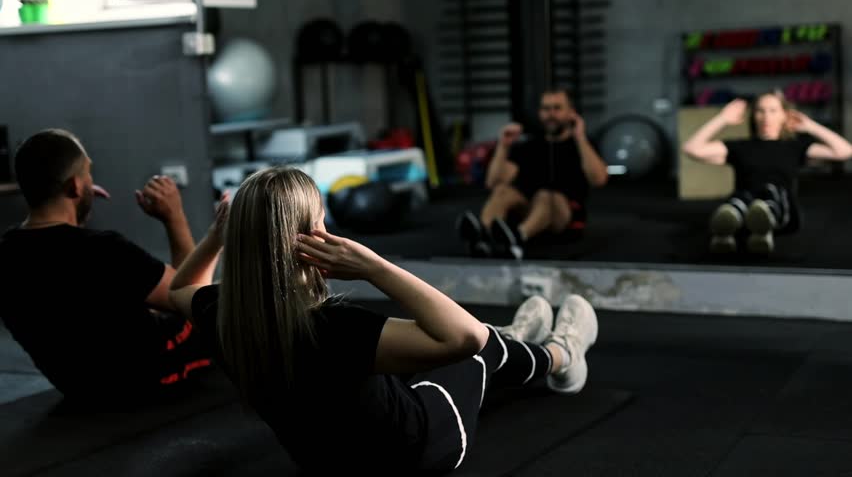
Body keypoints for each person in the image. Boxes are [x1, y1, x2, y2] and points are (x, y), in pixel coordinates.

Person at [169, 167, 599, 475]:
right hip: (417, 454)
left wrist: (213, 240)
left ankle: (516, 343)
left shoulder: (220, 313)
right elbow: (465, 337)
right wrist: (373, 265)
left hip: (325, 460)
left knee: (442, 342)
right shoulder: (334, 328)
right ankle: (561, 355)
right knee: (478, 348)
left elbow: (179, 291)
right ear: (309, 236)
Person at [0, 129, 211, 403]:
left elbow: (65, 280)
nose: (91, 180)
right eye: (88, 173)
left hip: (82, 387)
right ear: (75, 186)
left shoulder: (5, 254)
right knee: (212, 305)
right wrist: (174, 217)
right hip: (151, 377)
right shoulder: (104, 249)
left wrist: (76, 210)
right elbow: (192, 297)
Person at [682, 92, 852, 254]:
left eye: (773, 110)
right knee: (741, 199)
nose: (766, 117)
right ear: (754, 116)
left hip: (782, 210)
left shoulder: (795, 147)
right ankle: (732, 225)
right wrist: (722, 119)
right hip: (746, 204)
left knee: (771, 191)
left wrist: (810, 126)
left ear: (784, 115)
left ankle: (760, 220)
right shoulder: (740, 147)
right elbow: (691, 148)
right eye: (760, 111)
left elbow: (845, 151)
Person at [457, 88, 609, 259]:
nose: (550, 114)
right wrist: (503, 146)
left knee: (547, 196)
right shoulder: (530, 145)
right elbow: (493, 182)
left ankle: (517, 238)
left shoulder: (583, 145)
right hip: (530, 210)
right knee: (503, 191)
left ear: (571, 113)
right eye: (546, 109)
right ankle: (483, 237)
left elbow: (599, 179)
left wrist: (580, 137)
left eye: (557, 108)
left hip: (564, 216)